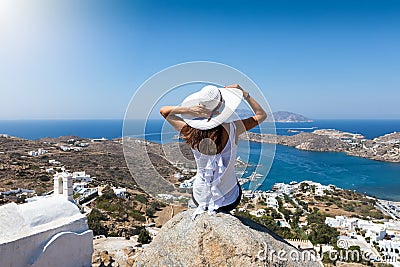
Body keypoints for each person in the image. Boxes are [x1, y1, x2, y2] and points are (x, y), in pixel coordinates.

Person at [160, 84, 267, 220]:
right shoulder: (234, 128)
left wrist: (190, 111)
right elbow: (261, 115)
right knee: (233, 182)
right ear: (223, 107)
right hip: (229, 200)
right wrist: (244, 94)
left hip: (200, 198)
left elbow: (164, 111)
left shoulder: (190, 131)